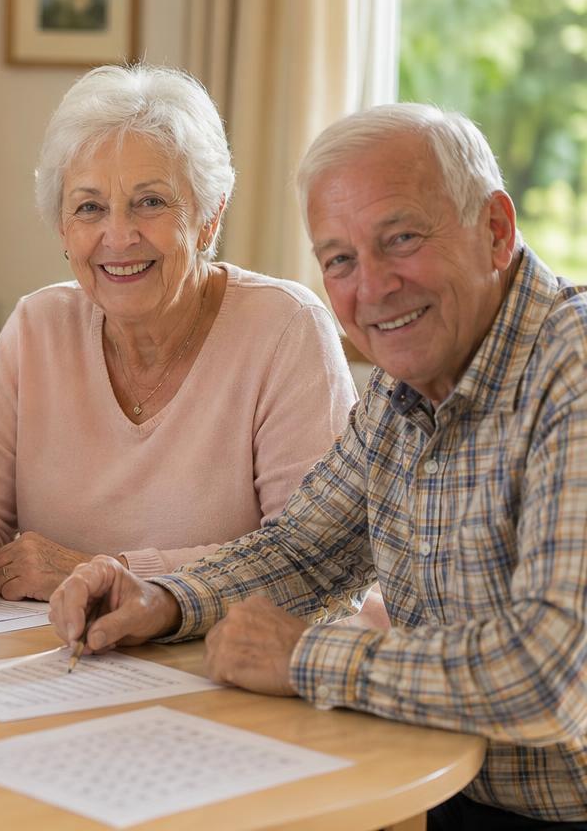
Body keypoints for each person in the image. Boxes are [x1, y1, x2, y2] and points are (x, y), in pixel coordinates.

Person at [49, 104, 587, 829]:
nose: (373, 288)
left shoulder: (572, 369)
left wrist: (307, 656)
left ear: (495, 230)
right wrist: (162, 601)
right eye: (340, 260)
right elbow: (304, 551)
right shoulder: (407, 378)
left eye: (401, 239)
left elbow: (552, 678)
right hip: (435, 787)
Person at [0, 64, 356, 604]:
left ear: (209, 217)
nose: (119, 236)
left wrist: (107, 575)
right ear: (63, 229)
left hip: (220, 652)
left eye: (151, 202)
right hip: (45, 647)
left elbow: (318, 560)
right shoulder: (37, 327)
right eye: (90, 208)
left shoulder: (287, 329)